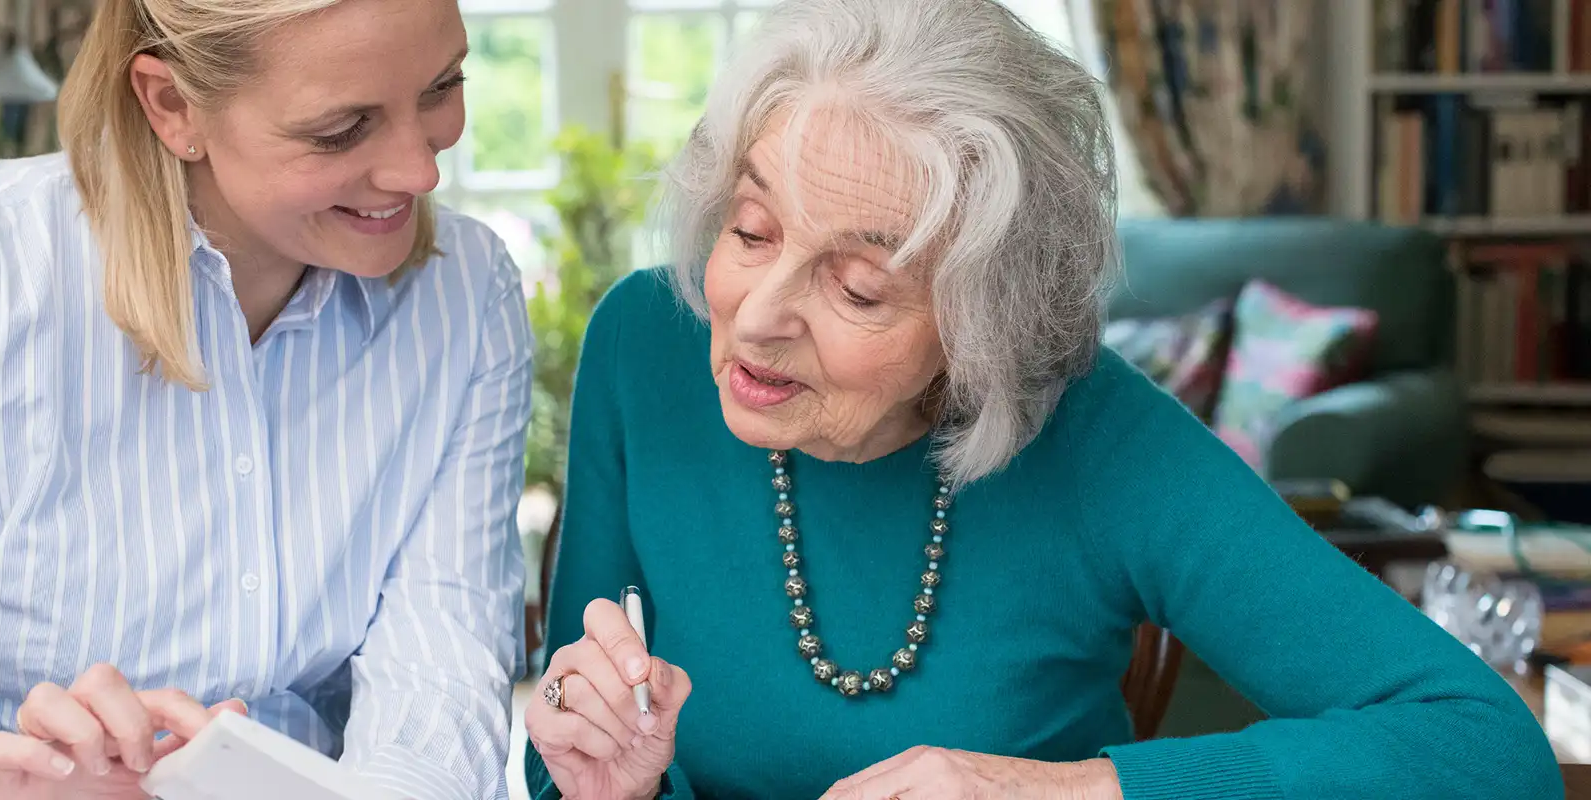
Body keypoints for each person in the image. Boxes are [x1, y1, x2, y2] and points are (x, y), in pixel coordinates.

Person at [521, 0, 1563, 797]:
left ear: (986, 323)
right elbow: (566, 747)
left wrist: (1068, 787)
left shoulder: (1102, 440)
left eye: (857, 287)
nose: (752, 318)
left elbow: (1482, 742)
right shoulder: (646, 347)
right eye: (750, 231)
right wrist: (610, 767)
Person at [0, 0, 530, 798]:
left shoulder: (467, 291)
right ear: (172, 104)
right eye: (341, 129)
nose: (420, 171)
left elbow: (441, 663)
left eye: (442, 86)